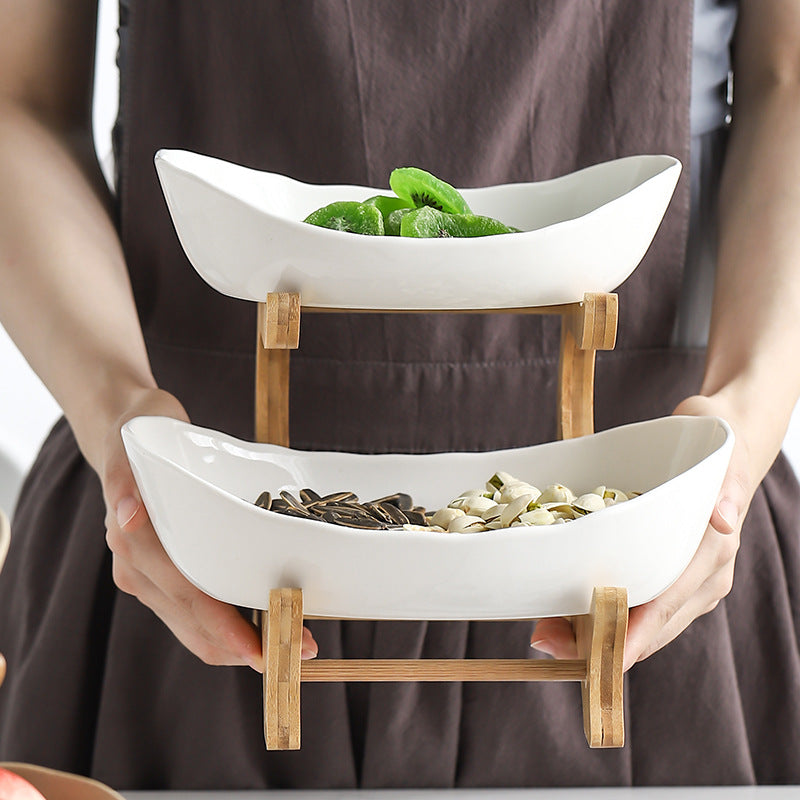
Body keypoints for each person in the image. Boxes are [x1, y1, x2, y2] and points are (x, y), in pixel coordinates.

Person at [1, 0, 799, 789]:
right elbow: (18, 97)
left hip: (653, 530)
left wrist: (741, 424)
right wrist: (121, 416)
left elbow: (787, 77)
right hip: (186, 528)